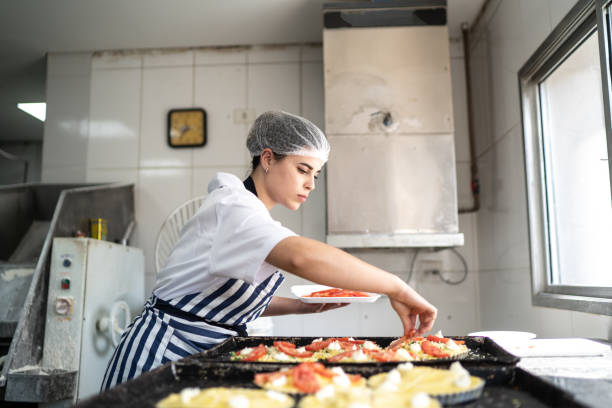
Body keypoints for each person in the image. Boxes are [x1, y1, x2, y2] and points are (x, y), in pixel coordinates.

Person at [101, 111, 437, 390]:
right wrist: (397, 286)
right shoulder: (233, 207)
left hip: (197, 354)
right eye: (302, 170)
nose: (311, 184)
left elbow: (219, 300)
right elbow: (300, 257)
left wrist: (301, 308)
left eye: (316, 174)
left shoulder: (248, 213)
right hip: (157, 356)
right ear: (267, 159)